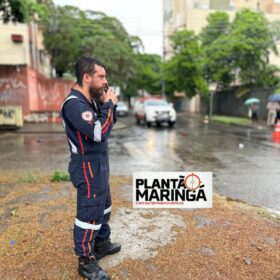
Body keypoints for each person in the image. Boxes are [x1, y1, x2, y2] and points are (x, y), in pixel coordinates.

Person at [61, 56, 121, 280]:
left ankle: (101, 243)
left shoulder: (92, 100)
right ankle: (86, 261)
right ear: (86, 77)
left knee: (104, 206)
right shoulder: (75, 104)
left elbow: (106, 125)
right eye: (101, 76)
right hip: (86, 166)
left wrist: (107, 104)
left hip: (99, 163)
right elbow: (98, 133)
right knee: (89, 212)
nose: (105, 81)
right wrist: (108, 105)